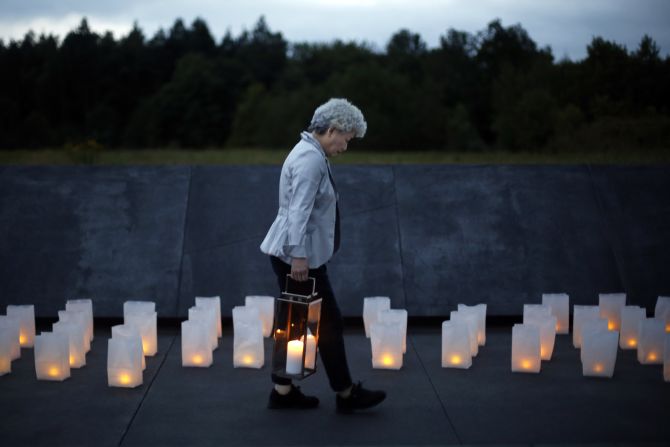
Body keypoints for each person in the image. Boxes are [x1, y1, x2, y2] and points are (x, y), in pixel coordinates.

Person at [260, 98, 386, 412]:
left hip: (296, 255)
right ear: (332, 129)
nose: (346, 145)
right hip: (298, 258)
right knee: (327, 323)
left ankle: (284, 393)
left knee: (298, 323)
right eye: (346, 138)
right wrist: (299, 257)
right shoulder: (310, 160)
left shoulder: (310, 153)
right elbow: (299, 212)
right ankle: (345, 394)